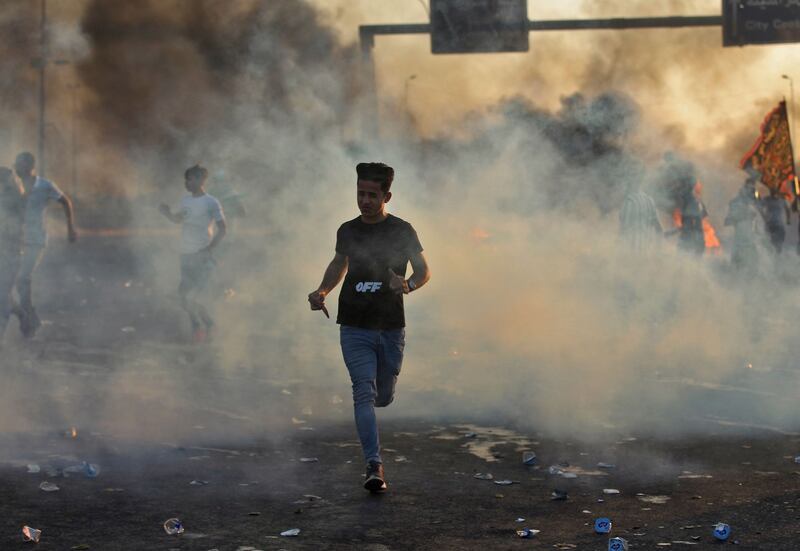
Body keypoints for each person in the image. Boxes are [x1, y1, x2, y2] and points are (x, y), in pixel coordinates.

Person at [307, 162, 430, 493]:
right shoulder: (347, 230)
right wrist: (321, 291)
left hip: (390, 326)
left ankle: (382, 395)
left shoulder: (402, 230)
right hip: (354, 324)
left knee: (383, 394)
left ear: (386, 195)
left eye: (372, 195)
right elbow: (339, 264)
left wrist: (407, 286)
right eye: (360, 193)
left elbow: (423, 271)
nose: (364, 200)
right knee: (363, 390)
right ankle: (374, 464)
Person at [159, 164, 226, 343]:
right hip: (186, 254)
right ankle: (203, 325)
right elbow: (178, 219)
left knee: (191, 295)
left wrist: (209, 249)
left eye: (189, 179)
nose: (186, 183)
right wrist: (167, 214)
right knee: (183, 296)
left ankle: (203, 327)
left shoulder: (211, 202)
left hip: (201, 256)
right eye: (185, 180)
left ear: (200, 180)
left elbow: (223, 229)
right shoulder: (186, 201)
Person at [14, 152, 77, 338]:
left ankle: (27, 319)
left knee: (22, 279)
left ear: (31, 166)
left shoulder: (43, 185)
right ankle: (29, 317)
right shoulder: (13, 186)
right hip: (15, 240)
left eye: (21, 165)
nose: (18, 169)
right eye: (16, 165)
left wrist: (71, 229)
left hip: (36, 241)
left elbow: (65, 201)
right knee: (13, 281)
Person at [0, 167, 25, 342]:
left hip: (10, 253)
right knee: (3, 294)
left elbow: (14, 232)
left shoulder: (17, 204)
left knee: (2, 294)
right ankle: (22, 313)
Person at [724, 179, 760, 273]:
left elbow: (756, 220)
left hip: (750, 238)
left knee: (752, 262)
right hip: (740, 238)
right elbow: (728, 221)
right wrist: (743, 215)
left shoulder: (753, 203)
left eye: (752, 187)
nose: (751, 190)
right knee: (738, 262)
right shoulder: (736, 202)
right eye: (749, 187)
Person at [619, 180, 662, 252]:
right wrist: (658, 250)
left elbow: (624, 229)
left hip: (631, 252)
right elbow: (659, 229)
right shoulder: (649, 200)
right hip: (646, 251)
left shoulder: (630, 201)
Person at [759, 188, 790, 254]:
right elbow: (759, 206)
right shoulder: (767, 199)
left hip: (779, 225)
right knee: (770, 243)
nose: (774, 194)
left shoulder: (782, 200)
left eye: (775, 193)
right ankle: (771, 255)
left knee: (779, 243)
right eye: (772, 192)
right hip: (770, 224)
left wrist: (788, 220)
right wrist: (764, 216)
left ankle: (778, 255)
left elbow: (787, 209)